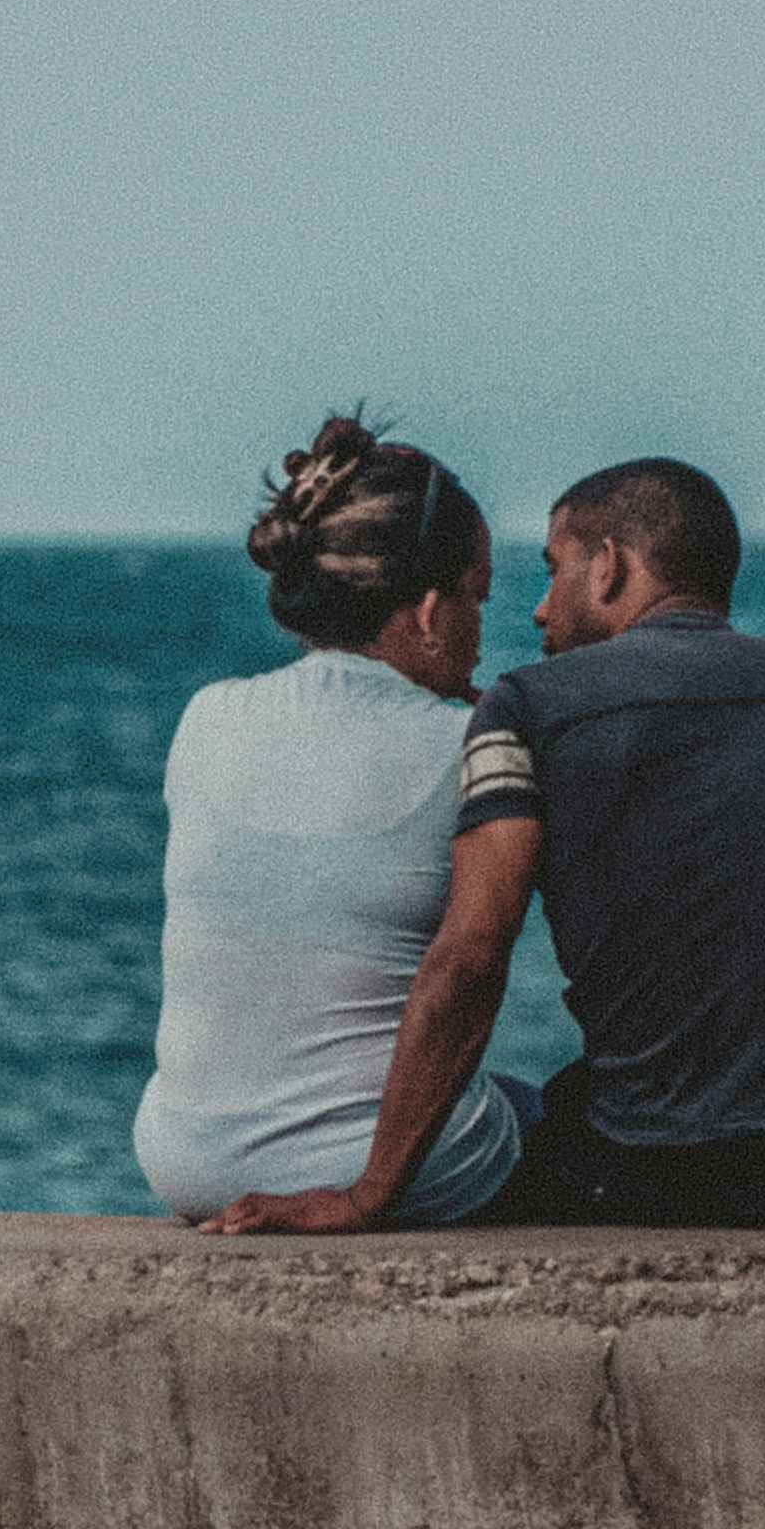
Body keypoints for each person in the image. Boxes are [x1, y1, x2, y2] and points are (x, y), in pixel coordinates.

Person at [206, 454, 765, 1234]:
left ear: (609, 567)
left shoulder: (530, 707)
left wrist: (366, 1193)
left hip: (656, 1160)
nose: (537, 606)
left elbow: (470, 955)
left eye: (552, 567)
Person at [134, 416, 539, 1227]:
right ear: (427, 610)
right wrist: (366, 1196)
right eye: (476, 597)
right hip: (363, 1168)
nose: (482, 625)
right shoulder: (469, 743)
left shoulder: (205, 717)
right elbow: (465, 970)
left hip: (180, 1159)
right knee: (551, 1115)